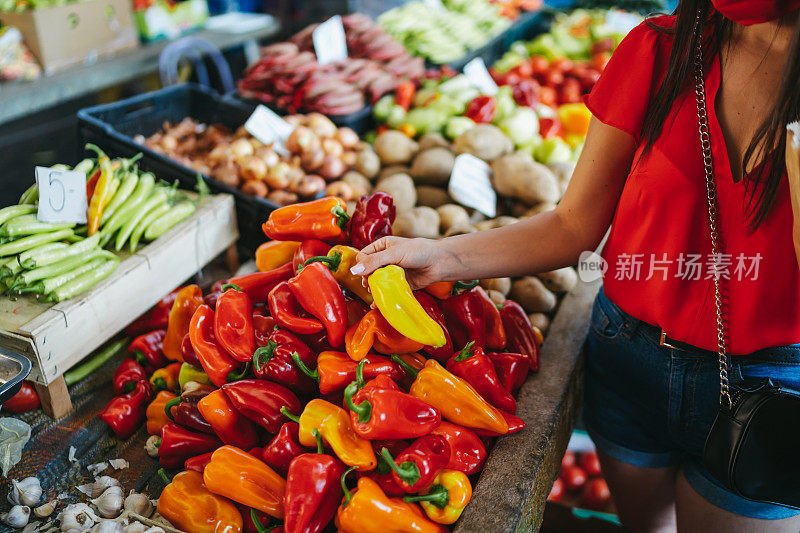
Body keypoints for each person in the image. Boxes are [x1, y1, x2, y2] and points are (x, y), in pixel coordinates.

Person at [350, 1, 800, 531]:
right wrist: (445, 256)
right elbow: (572, 226)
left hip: (769, 385)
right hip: (630, 357)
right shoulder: (660, 48)